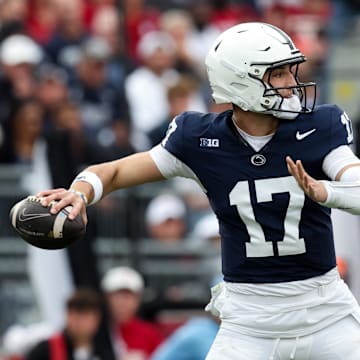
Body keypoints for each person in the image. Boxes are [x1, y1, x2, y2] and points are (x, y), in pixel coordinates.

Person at [37, 22, 360, 359]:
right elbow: (116, 171)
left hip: (325, 313)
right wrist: (81, 191)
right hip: (249, 322)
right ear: (241, 81)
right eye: (278, 74)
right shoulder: (200, 139)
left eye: (290, 72)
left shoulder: (320, 127)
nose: (292, 84)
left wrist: (326, 192)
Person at [25, 287, 113, 360]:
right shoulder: (46, 350)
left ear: (97, 320)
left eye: (85, 317)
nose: (77, 323)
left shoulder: (104, 352)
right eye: (73, 316)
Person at [101, 266, 164, 359]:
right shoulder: (92, 331)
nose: (123, 303)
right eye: (118, 296)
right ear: (106, 298)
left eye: (129, 297)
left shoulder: (150, 334)